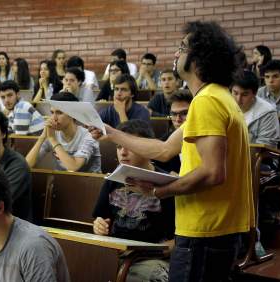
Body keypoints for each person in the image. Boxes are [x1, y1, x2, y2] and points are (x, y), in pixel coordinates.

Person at [89, 21, 252, 281]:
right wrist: (112, 133)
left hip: (205, 228)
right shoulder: (217, 97)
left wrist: (158, 192)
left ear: (199, 57)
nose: (176, 54)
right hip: (214, 228)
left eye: (182, 47)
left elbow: (212, 173)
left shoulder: (207, 101)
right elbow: (164, 150)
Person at [92, 120, 175, 282]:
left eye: (129, 147)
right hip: (115, 254)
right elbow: (99, 219)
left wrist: (149, 252)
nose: (122, 153)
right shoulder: (112, 179)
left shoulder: (167, 184)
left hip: (150, 260)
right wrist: (99, 225)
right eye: (118, 146)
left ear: (147, 148)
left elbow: (177, 241)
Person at [26, 93, 101, 173]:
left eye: (59, 113)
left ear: (73, 114)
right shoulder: (52, 134)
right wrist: (42, 138)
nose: (54, 118)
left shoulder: (89, 135)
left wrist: (53, 140)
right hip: (62, 181)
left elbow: (73, 167)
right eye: (52, 112)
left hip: (91, 182)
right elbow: (26, 165)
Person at [233, 70, 280, 147]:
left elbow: (265, 148)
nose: (238, 99)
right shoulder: (225, 106)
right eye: (235, 93)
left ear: (254, 93)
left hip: (257, 157)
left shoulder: (267, 112)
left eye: (244, 95)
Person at [152, 91, 193, 173]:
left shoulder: (205, 139)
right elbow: (154, 166)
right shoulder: (164, 141)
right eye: (174, 114)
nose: (178, 120)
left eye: (184, 113)